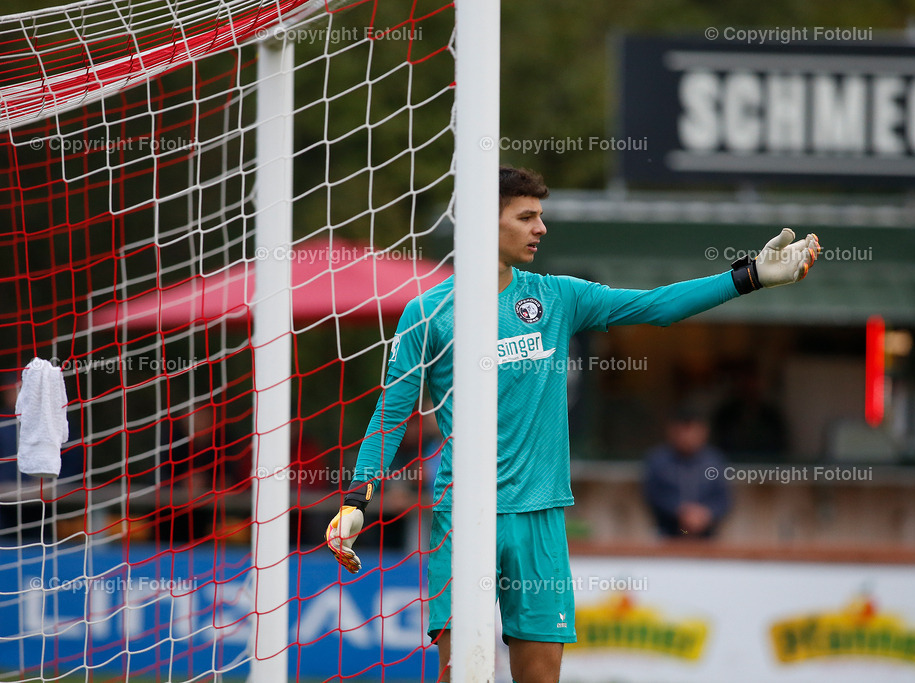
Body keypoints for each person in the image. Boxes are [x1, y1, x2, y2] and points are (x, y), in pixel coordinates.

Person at [326, 166, 821, 683]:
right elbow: (391, 413)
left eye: (541, 216)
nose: (541, 228)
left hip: (541, 518)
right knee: (463, 675)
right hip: (463, 516)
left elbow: (656, 307)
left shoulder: (558, 297)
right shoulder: (428, 314)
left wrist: (750, 276)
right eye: (527, 217)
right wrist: (357, 500)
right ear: (481, 223)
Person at [643, 405, 731, 538]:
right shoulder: (659, 460)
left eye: (692, 431)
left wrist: (706, 514)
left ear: (704, 432)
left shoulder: (714, 461)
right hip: (669, 533)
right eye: (682, 431)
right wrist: (681, 511)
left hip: (706, 535)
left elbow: (723, 499)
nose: (687, 437)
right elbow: (653, 494)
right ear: (672, 431)